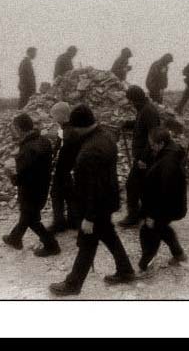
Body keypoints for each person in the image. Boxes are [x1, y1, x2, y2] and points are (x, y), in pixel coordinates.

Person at [49, 105, 135, 296]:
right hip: (108, 200)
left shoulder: (89, 152)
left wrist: (89, 217)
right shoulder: (106, 136)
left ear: (80, 126)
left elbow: (94, 187)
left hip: (95, 205)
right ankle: (126, 270)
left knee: (88, 243)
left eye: (75, 127)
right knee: (109, 235)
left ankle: (73, 284)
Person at [2, 113, 61, 257]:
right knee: (28, 215)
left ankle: (52, 245)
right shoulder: (43, 141)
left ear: (20, 129)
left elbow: (23, 176)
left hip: (29, 190)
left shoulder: (27, 148)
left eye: (15, 128)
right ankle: (14, 238)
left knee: (32, 219)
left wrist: (11, 175)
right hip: (42, 186)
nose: (14, 131)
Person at [138, 127, 188, 272]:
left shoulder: (168, 163)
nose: (151, 147)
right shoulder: (169, 153)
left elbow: (164, 193)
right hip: (170, 206)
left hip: (164, 207)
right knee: (162, 228)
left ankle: (145, 265)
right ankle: (179, 254)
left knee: (149, 231)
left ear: (161, 144)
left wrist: (153, 215)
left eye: (152, 144)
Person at [119, 85, 161, 228]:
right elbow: (140, 125)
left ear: (134, 99)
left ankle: (133, 216)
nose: (130, 104)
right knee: (143, 185)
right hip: (144, 156)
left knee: (132, 185)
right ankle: (144, 212)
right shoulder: (144, 108)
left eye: (130, 100)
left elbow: (153, 136)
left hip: (146, 157)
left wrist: (143, 158)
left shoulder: (148, 111)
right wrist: (127, 124)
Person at [48, 102, 80, 233]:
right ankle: (73, 221)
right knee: (70, 194)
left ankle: (59, 222)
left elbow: (62, 151)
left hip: (64, 169)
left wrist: (54, 163)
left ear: (61, 115)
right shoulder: (71, 128)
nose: (53, 119)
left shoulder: (67, 131)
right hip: (71, 169)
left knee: (56, 194)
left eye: (54, 116)